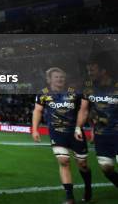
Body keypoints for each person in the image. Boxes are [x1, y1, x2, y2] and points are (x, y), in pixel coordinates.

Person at [32, 67, 92, 204]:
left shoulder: (74, 92)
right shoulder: (43, 94)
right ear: (49, 79)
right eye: (56, 77)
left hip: (75, 133)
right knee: (63, 161)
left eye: (62, 77)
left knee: (82, 164)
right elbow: (37, 111)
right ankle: (69, 196)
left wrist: (79, 127)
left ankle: (88, 187)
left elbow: (83, 109)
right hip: (57, 133)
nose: (60, 79)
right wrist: (34, 130)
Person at [75, 52, 118, 191]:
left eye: (92, 70)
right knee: (106, 168)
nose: (89, 72)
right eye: (88, 70)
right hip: (102, 134)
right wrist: (78, 127)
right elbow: (84, 109)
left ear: (103, 70)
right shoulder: (88, 86)